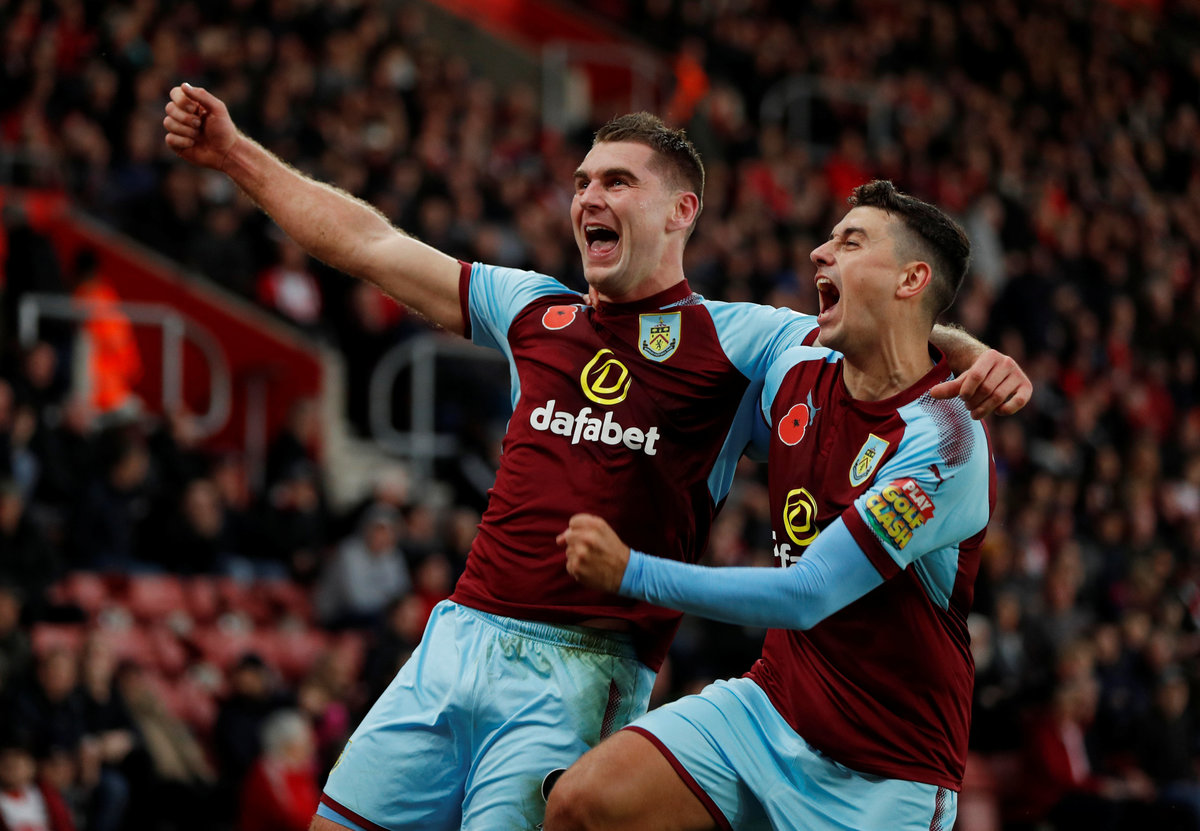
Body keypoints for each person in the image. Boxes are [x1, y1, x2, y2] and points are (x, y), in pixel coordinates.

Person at [163, 84, 1030, 831]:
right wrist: (237, 155)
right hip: (455, 636)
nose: (588, 198)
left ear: (681, 211)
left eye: (617, 181)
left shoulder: (742, 341)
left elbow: (878, 341)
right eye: (581, 182)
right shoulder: (530, 308)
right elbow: (368, 243)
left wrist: (968, 351)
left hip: (582, 669)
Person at [550, 181, 1002, 830]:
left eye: (852, 242)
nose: (820, 252)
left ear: (911, 280)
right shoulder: (794, 360)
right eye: (830, 237)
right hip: (767, 709)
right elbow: (665, 320)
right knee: (579, 803)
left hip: (884, 775)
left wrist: (629, 571)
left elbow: (808, 593)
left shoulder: (946, 442)